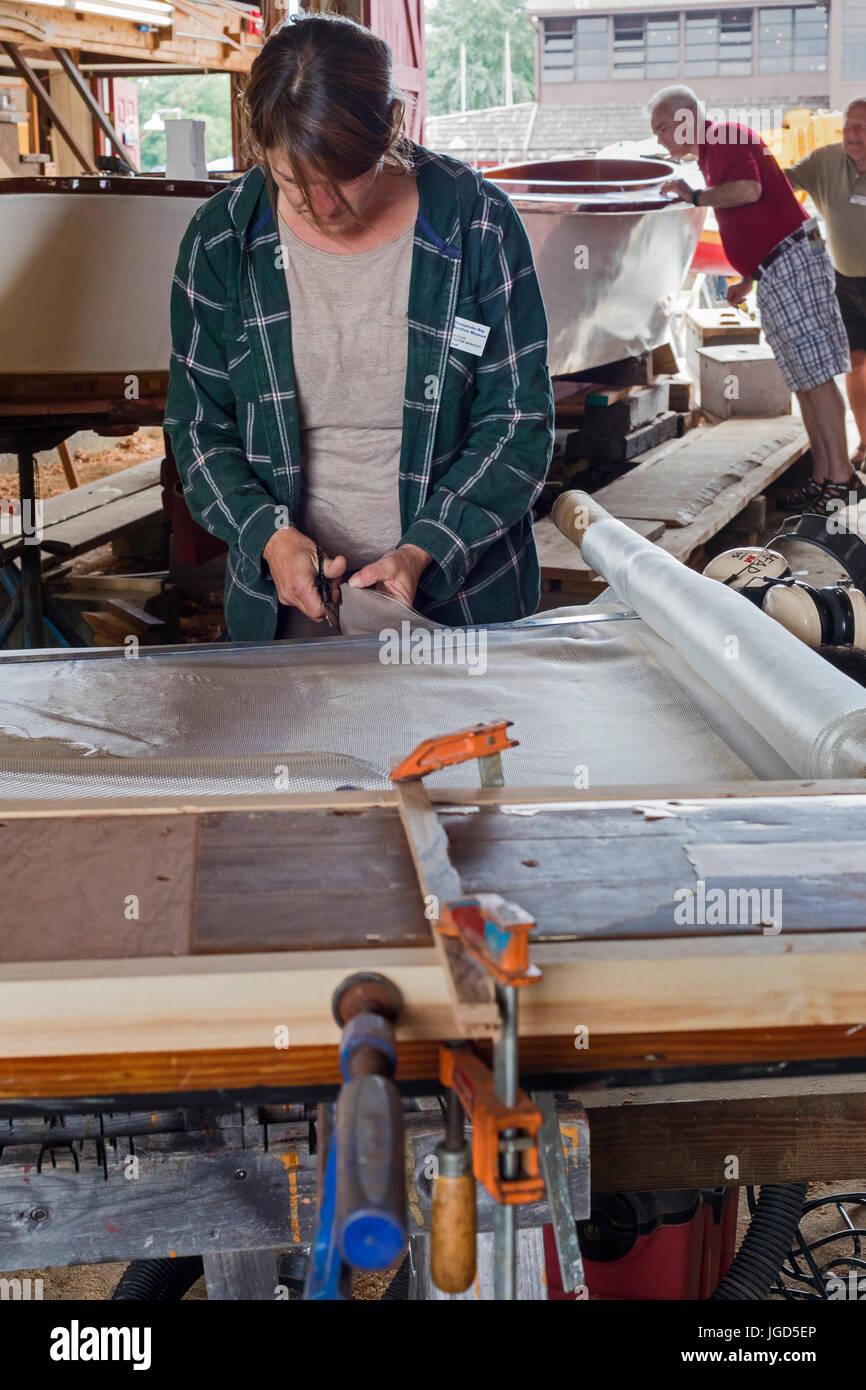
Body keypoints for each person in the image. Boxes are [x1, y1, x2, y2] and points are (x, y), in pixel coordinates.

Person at [166, 13, 552, 642]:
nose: (321, 209)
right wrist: (267, 534)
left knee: (466, 745)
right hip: (283, 617)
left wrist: (422, 551)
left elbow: (517, 423)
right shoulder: (221, 241)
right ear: (259, 146)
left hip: (461, 608)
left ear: (391, 129)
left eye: (344, 179)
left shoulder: (478, 224)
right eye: (291, 181)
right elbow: (200, 429)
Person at [649, 85, 863, 517]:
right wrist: (748, 275)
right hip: (779, 265)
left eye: (662, 128)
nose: (659, 139)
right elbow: (762, 207)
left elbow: (747, 190)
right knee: (803, 376)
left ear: (686, 119)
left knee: (817, 373)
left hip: (794, 260)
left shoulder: (724, 136)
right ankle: (824, 474)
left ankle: (840, 479)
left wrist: (692, 195)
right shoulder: (712, 153)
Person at [788, 99, 866, 470]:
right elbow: (777, 184)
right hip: (845, 280)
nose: (854, 135)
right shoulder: (824, 162)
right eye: (849, 127)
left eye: (862, 128)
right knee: (855, 363)